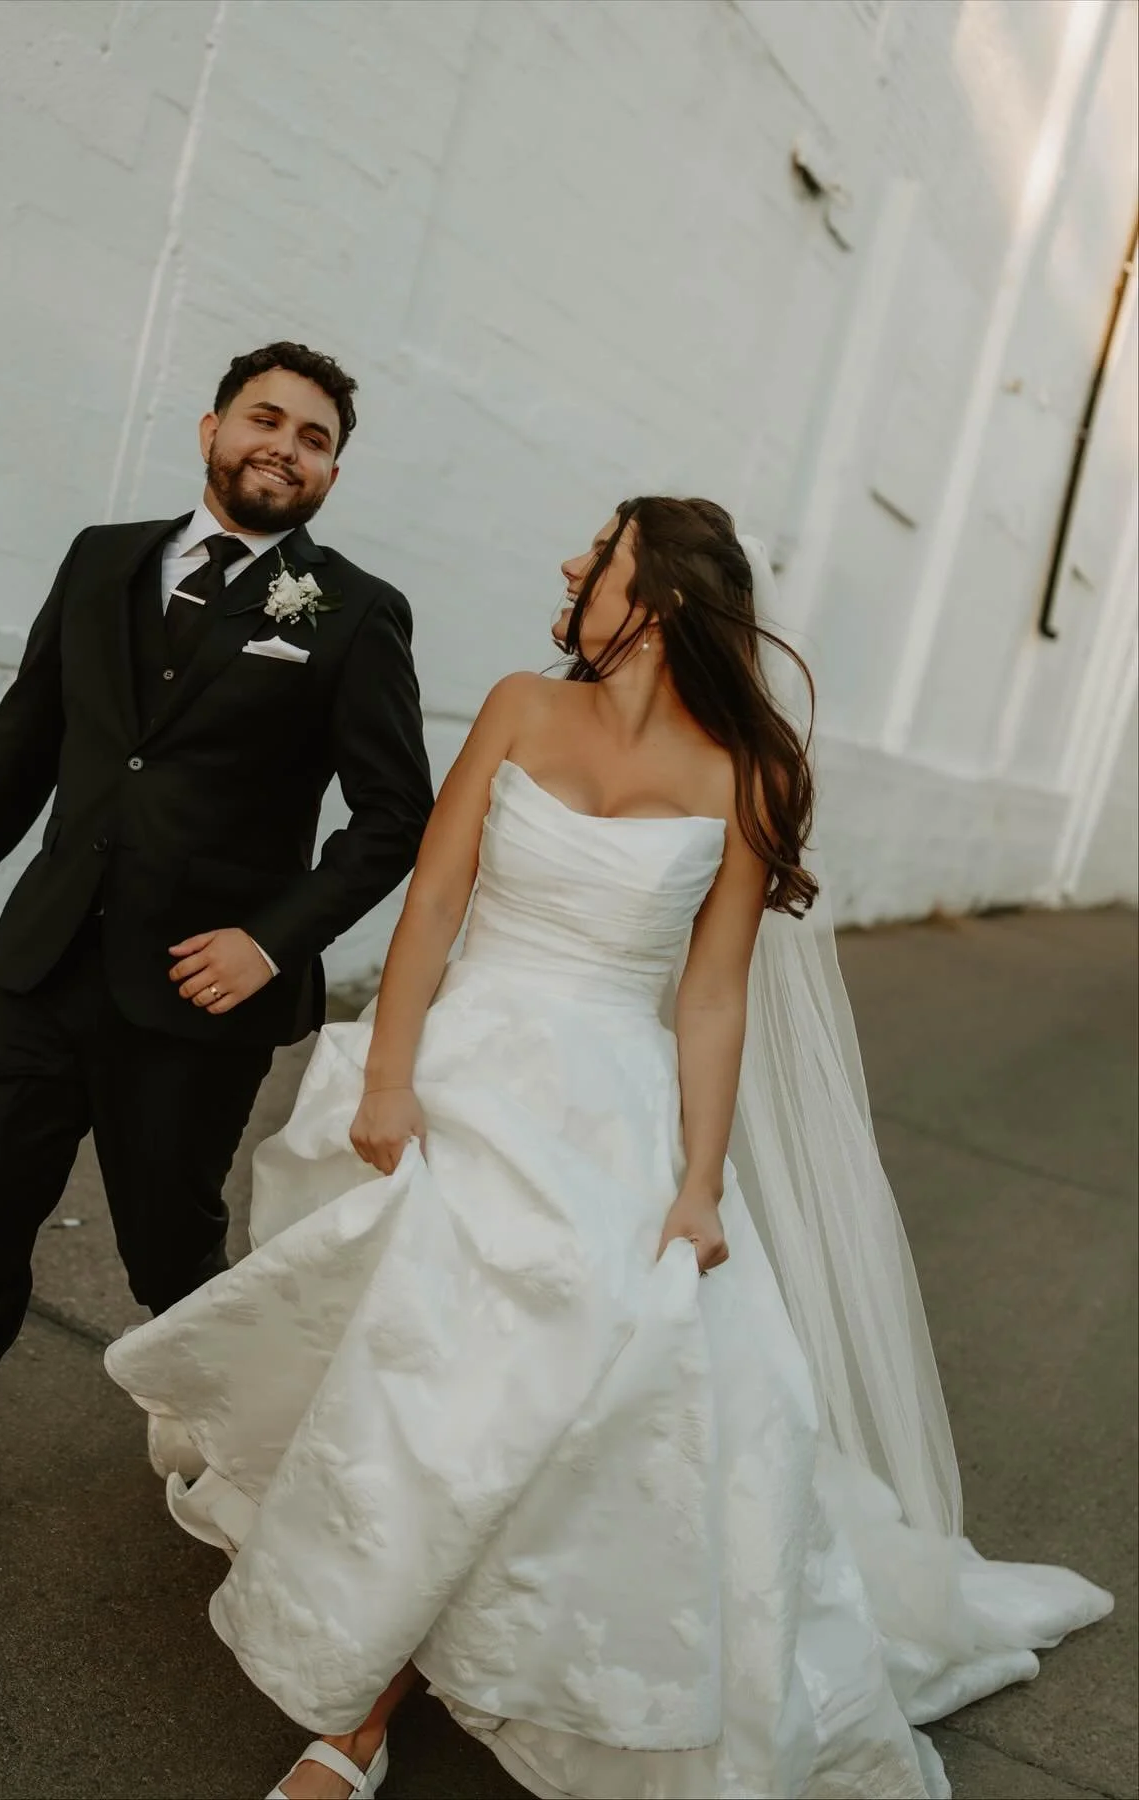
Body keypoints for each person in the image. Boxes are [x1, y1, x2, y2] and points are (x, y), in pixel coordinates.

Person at [106, 496, 1112, 1800]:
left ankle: (375, 1690)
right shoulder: (524, 705)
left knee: (570, 1371)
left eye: (602, 555)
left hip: (612, 1102)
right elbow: (436, 902)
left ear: (661, 602)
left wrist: (699, 1186)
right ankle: (352, 1713)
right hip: (470, 1067)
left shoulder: (749, 776)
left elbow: (710, 996)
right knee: (432, 1368)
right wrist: (392, 1075)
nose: (571, 564)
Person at [0, 342, 434, 1625]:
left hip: (196, 1010)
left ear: (329, 472)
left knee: (172, 1266)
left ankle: (256, 1498)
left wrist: (273, 938)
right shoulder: (102, 560)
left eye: (316, 439)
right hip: (44, 973)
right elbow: (27, 738)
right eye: (267, 419)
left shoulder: (355, 613)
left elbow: (390, 819)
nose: (287, 447)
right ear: (211, 429)